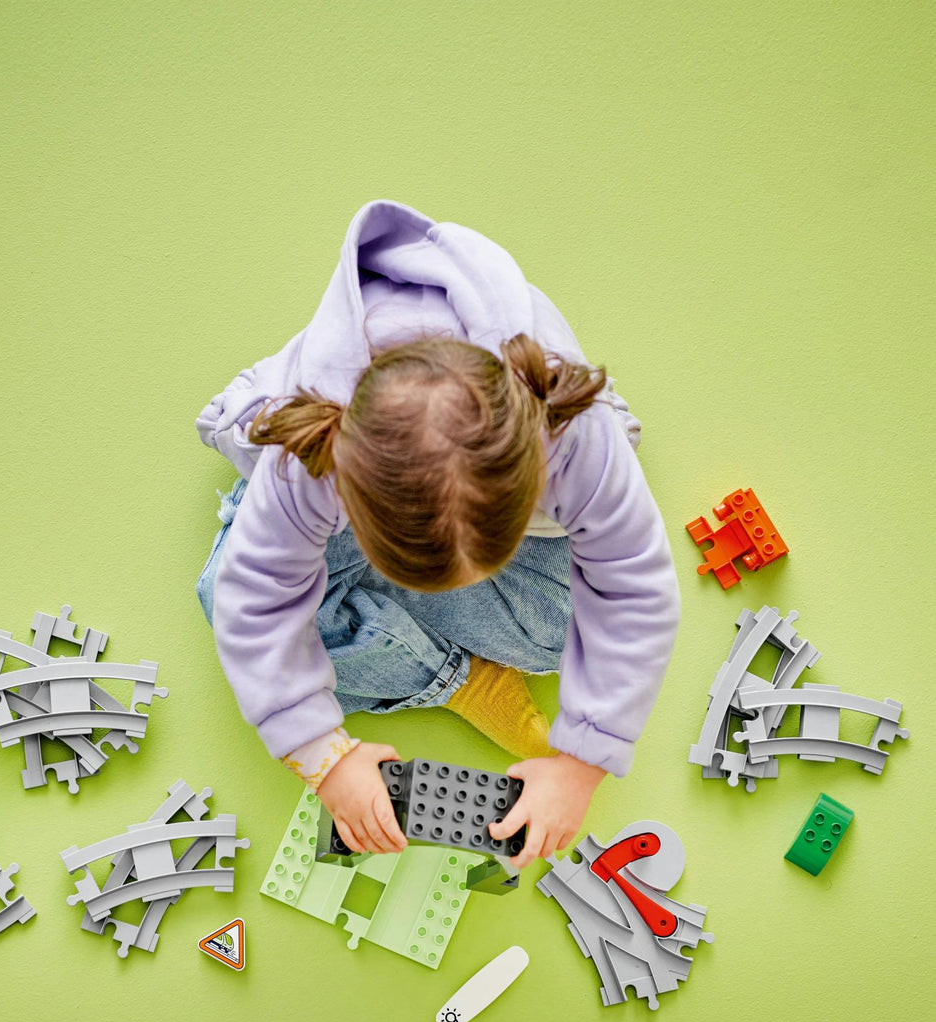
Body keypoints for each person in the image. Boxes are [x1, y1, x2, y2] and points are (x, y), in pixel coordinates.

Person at [195, 199, 680, 867]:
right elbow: (252, 602)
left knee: (561, 639)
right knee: (225, 598)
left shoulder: (575, 433)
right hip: (336, 485)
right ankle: (455, 678)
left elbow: (635, 586)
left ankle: (382, 631)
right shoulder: (312, 456)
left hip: (503, 496)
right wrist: (325, 758)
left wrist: (582, 762)